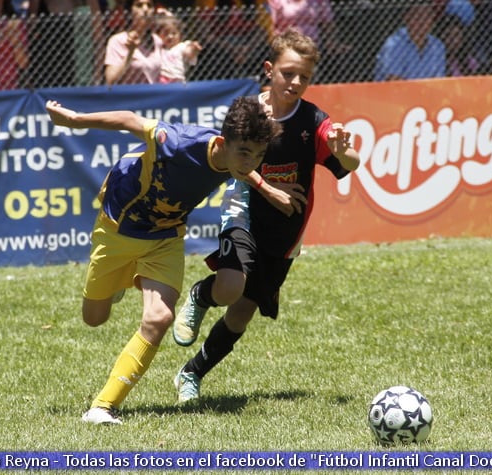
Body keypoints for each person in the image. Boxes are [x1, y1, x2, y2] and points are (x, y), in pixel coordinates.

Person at [44, 95, 283, 424]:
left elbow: (242, 170)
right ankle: (120, 282)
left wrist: (267, 188)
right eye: (244, 152)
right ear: (224, 142)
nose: (250, 162)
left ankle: (102, 407)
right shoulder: (181, 142)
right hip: (118, 229)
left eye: (258, 155)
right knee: (94, 318)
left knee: (159, 318)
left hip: (165, 238)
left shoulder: (237, 160)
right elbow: (129, 118)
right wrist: (73, 119)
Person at [170, 28, 360, 403]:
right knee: (228, 288)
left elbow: (349, 164)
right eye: (288, 73)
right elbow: (235, 164)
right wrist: (268, 188)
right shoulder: (249, 113)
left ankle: (192, 372)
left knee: (240, 314)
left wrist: (343, 151)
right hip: (244, 212)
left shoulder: (313, 121)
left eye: (304, 77)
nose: (296, 82)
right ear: (269, 69)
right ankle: (199, 295)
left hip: (285, 233)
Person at [373, 2, 446, 81]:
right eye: (417, 17)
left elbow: (438, 80)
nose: (422, 22)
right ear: (406, 18)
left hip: (427, 92)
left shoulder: (438, 45)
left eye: (427, 17)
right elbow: (394, 81)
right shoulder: (395, 44)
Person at [103, 0, 162, 86]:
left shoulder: (157, 41)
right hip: (130, 97)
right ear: (130, 11)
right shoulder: (117, 41)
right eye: (139, 5)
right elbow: (110, 79)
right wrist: (130, 52)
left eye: (149, 5)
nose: (145, 9)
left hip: (154, 97)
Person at [155, 11, 200, 83]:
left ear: (180, 34)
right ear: (159, 35)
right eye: (166, 33)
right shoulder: (159, 47)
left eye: (174, 33)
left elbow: (188, 52)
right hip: (162, 79)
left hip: (177, 80)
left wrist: (193, 49)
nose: (170, 36)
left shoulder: (181, 46)